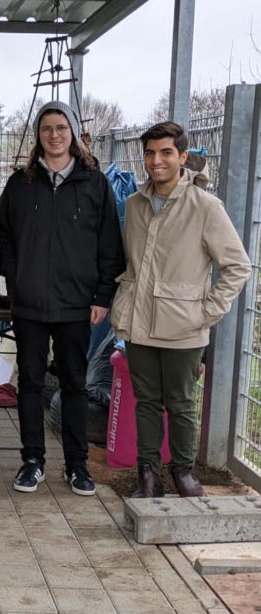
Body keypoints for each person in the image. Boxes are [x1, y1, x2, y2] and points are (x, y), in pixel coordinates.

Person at [110, 121, 251, 498]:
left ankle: (183, 472)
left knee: (182, 403)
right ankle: (148, 475)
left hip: (183, 327)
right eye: (151, 153)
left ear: (183, 157)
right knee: (146, 403)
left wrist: (207, 312)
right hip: (139, 322)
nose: (157, 161)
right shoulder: (135, 203)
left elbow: (238, 265)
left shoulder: (205, 206)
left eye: (166, 153)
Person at [0, 100, 125, 496]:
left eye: (60, 127)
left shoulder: (94, 184)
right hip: (30, 302)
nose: (54, 135)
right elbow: (1, 235)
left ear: (73, 132)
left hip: (76, 302)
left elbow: (110, 246)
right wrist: (17, 277)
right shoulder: (21, 184)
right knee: (30, 382)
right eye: (46, 128)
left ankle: (77, 465)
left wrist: (103, 293)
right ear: (38, 135)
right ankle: (32, 461)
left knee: (73, 385)